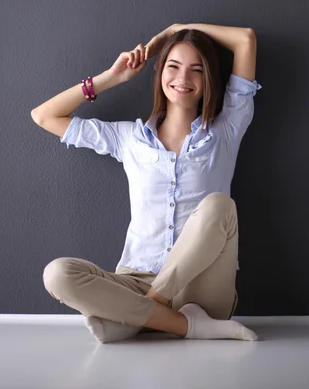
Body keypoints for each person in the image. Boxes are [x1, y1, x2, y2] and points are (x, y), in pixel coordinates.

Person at [31, 23, 262, 342]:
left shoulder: (226, 131)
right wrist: (114, 77)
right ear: (158, 70)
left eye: (196, 70)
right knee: (57, 274)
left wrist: (177, 29)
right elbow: (44, 116)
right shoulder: (129, 139)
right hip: (136, 279)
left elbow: (245, 39)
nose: (183, 79)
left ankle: (141, 314)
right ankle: (185, 326)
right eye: (173, 66)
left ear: (208, 79)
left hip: (203, 286)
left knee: (219, 206)